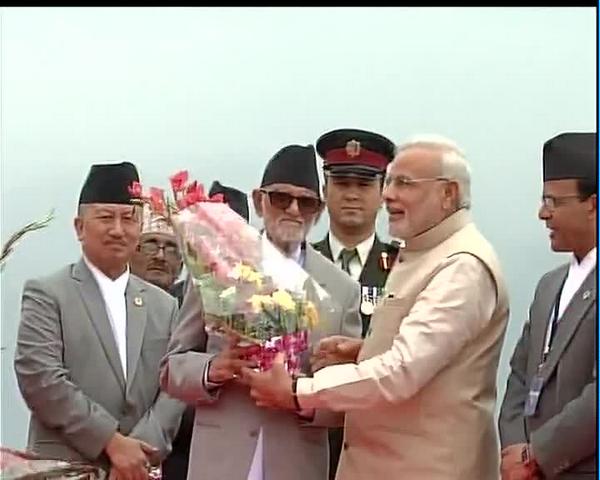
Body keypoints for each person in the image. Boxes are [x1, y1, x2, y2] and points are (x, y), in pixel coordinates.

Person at [243, 135, 510, 480]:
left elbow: (402, 371)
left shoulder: (462, 267)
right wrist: (365, 351)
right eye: (390, 182)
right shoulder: (427, 254)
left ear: (449, 194)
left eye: (404, 183)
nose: (387, 195)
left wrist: (297, 391)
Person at [160, 144, 362, 480]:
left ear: (319, 211)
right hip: (220, 463)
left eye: (306, 202)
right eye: (281, 198)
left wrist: (299, 396)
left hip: (295, 464)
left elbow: (348, 399)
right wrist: (214, 369)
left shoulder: (341, 289)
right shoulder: (218, 266)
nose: (294, 210)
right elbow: (171, 368)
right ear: (258, 201)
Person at [14, 162, 186, 480]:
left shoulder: (165, 306)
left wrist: (139, 452)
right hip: (65, 469)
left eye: (129, 218)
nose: (118, 229)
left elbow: (174, 386)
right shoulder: (48, 293)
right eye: (106, 217)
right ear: (80, 227)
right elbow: (41, 378)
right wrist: (111, 442)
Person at [498, 132, 597, 480]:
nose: (543, 213)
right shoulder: (548, 286)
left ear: (593, 204)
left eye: (553, 202)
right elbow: (521, 374)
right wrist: (515, 449)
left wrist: (537, 454)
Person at [311, 128, 399, 479]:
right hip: (307, 437)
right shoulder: (293, 266)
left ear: (383, 193)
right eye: (342, 183)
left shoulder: (405, 269)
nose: (351, 195)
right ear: (324, 190)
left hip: (378, 442)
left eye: (363, 185)